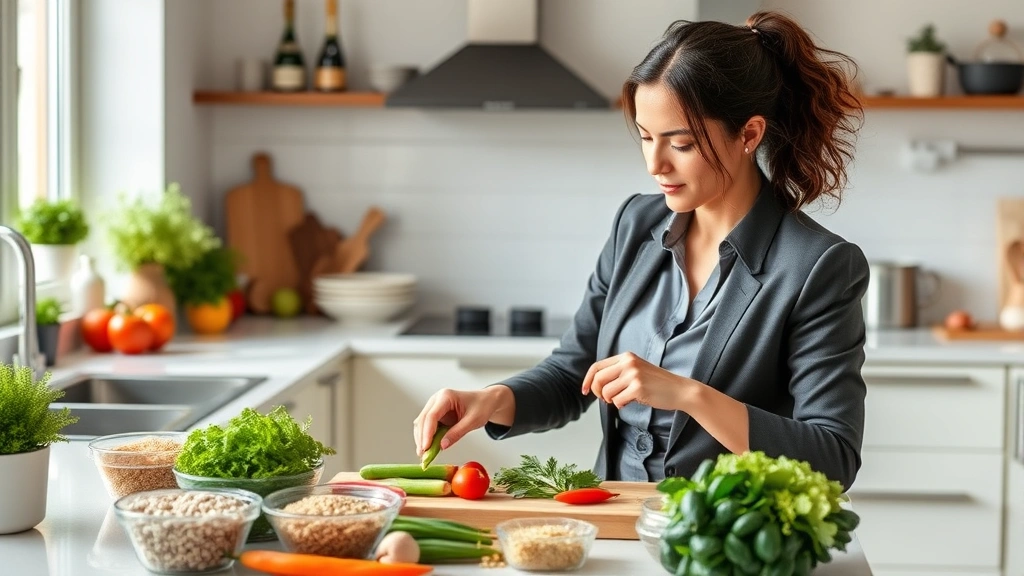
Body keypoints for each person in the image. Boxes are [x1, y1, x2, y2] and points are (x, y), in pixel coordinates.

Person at [413, 11, 869, 488]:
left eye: (682, 143)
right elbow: (574, 370)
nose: (655, 164)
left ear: (749, 134)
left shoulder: (819, 266)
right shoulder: (636, 223)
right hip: (613, 520)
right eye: (647, 138)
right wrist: (491, 399)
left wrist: (690, 395)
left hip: (723, 540)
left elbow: (832, 457)